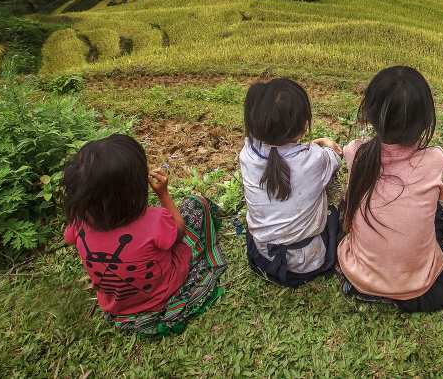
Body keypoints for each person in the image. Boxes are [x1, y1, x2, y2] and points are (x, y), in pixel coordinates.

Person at [63, 134, 226, 336]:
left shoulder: (79, 222)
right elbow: (179, 232)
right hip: (164, 291)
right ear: (134, 190)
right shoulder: (155, 220)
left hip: (119, 306)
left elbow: (68, 238)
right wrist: (163, 195)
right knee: (196, 204)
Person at [337, 66, 443, 312]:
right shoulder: (435, 159)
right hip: (416, 285)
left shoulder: (355, 153)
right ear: (425, 120)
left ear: (369, 113)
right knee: (441, 211)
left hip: (359, 276)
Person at [240, 78, 343, 287]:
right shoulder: (315, 159)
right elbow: (335, 157)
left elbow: (281, 154)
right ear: (304, 125)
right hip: (304, 264)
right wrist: (327, 144)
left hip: (261, 256)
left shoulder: (248, 154)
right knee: (336, 206)